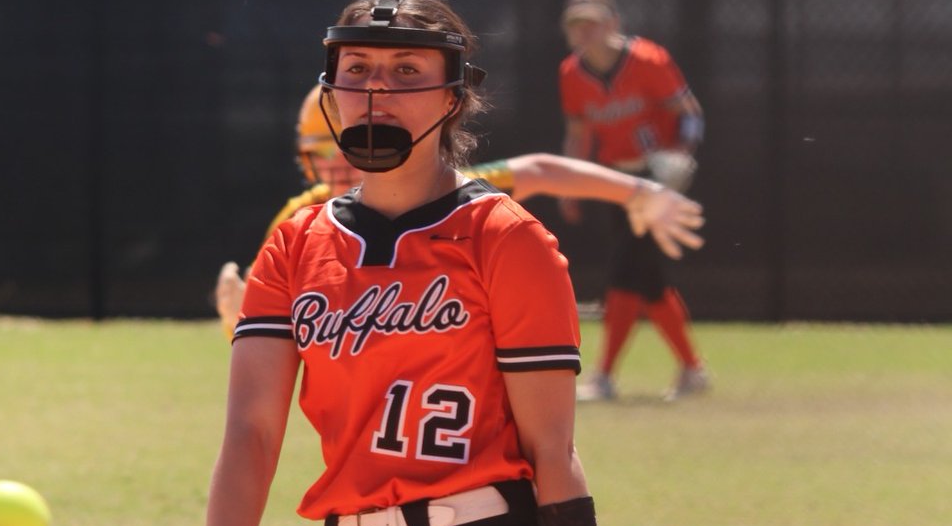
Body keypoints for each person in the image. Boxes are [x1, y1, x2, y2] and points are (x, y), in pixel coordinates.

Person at [151, 0, 642, 526]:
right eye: (358, 71)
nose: (377, 91)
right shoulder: (295, 243)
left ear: (453, 96)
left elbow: (552, 450)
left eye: (407, 72)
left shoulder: (504, 239)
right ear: (331, 90)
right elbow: (251, 434)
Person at [215, 82, 706, 345]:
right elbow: (270, 333)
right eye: (319, 154)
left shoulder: (445, 192)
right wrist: (242, 321)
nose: (331, 165)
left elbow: (537, 170)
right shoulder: (300, 217)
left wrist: (638, 192)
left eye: (338, 149)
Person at [557, 0, 710, 403]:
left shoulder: (647, 60)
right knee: (647, 280)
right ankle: (692, 369)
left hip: (655, 179)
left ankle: (605, 376)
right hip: (616, 181)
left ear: (613, 24)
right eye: (575, 25)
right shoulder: (572, 73)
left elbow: (689, 115)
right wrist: (569, 185)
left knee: (627, 269)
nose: (583, 32)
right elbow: (578, 133)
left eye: (591, 22)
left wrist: (680, 157)